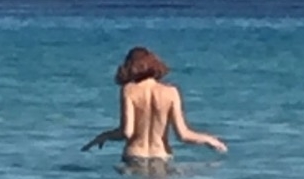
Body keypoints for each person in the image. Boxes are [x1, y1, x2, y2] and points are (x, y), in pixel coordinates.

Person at [82, 46, 227, 166]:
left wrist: (104, 136)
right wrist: (209, 139)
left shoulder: (129, 90)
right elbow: (183, 135)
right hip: (161, 156)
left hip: (135, 156)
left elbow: (127, 132)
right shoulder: (172, 92)